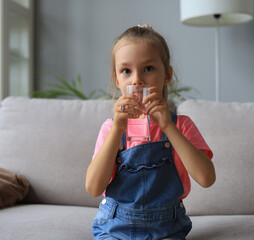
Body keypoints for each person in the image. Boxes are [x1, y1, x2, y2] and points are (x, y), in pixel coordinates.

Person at [85, 24, 216, 240]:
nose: (137, 80)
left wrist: (168, 127)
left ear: (166, 75)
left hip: (167, 229)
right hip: (115, 228)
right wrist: (118, 128)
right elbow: (93, 187)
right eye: (126, 71)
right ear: (117, 80)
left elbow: (206, 178)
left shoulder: (181, 125)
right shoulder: (111, 128)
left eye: (148, 68)